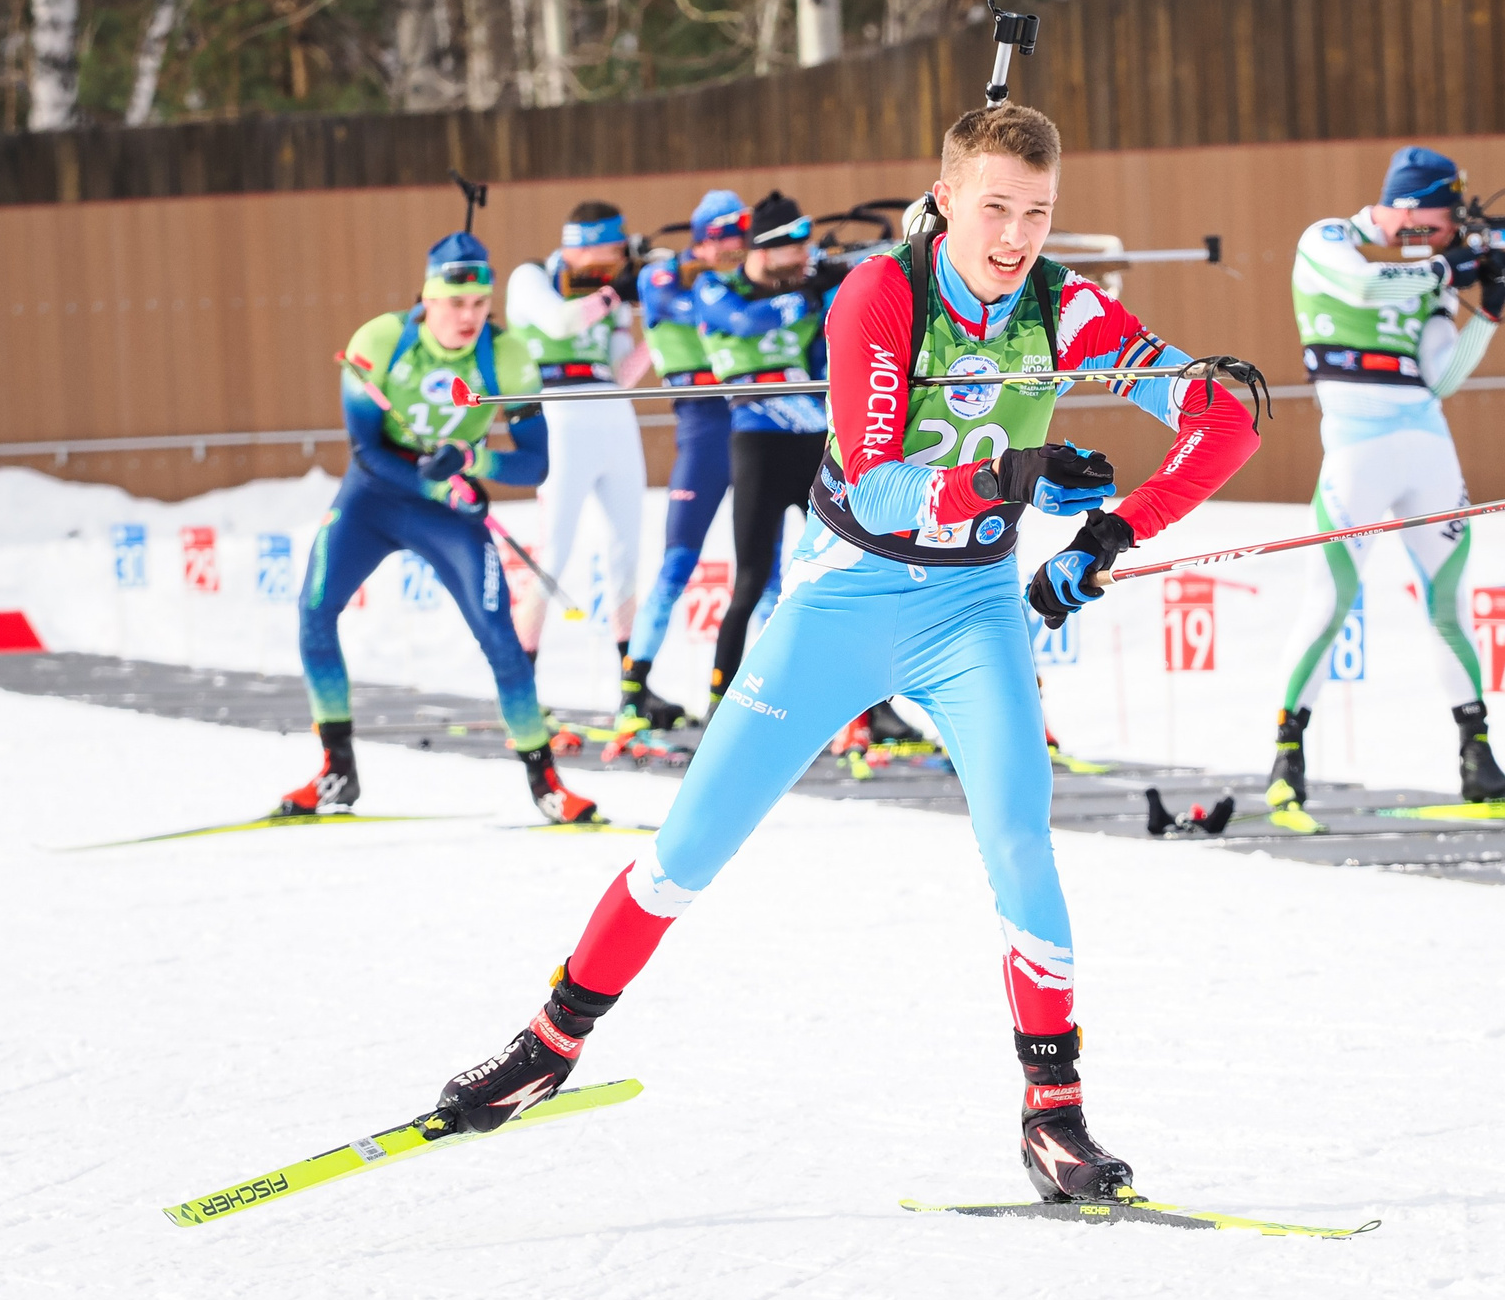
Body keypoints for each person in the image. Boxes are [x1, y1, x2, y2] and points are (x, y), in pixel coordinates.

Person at [429, 104, 1261, 1200]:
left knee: (1020, 837)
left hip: (972, 612)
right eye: (996, 208)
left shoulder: (1066, 306)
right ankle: (549, 1046)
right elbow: (874, 478)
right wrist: (1009, 478)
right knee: (688, 850)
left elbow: (1227, 421)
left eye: (1039, 213)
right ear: (948, 198)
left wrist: (1110, 534)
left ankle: (1052, 1116)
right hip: (841, 601)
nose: (1015, 236)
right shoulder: (883, 294)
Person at [279, 230, 598, 826]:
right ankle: (336, 770)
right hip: (373, 500)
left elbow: (536, 462)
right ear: (427, 300)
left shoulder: (509, 357)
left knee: (500, 638)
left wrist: (471, 462)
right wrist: (435, 481)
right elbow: (367, 450)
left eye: (481, 305)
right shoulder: (378, 342)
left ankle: (545, 783)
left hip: (449, 513)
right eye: (456, 304)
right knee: (315, 610)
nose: (470, 317)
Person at [1267, 144, 1505, 812]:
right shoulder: (1328, 239)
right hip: (1357, 450)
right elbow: (1361, 286)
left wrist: (1488, 312)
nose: (1452, 233)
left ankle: (1479, 756)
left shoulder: (1428, 270)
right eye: (1444, 220)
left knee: (1448, 606)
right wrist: (1448, 265)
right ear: (1409, 208)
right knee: (1329, 603)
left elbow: (1443, 374)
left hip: (1429, 449)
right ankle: (1287, 756)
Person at [695, 190, 841, 707]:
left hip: (815, 445)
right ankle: (719, 703)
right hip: (757, 443)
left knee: (848, 578)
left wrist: (834, 285)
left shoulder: (811, 281)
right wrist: (805, 296)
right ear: (766, 248)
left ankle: (865, 717)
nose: (805, 260)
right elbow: (745, 321)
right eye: (794, 250)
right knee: (752, 580)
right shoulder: (716, 286)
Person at [615, 190, 752, 731]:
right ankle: (633, 688)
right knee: (677, 564)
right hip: (701, 424)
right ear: (701, 239)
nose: (734, 251)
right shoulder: (661, 277)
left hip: (748, 418)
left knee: (763, 572)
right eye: (723, 241)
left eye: (740, 240)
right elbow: (686, 306)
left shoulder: (734, 278)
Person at [504, 201, 650, 674]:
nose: (619, 261)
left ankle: (632, 680)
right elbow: (560, 322)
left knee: (627, 549)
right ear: (585, 244)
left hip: (612, 411)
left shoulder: (611, 292)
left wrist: (660, 324)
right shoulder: (530, 276)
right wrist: (613, 295)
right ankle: (522, 672)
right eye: (613, 249)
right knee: (555, 551)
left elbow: (624, 372)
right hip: (558, 411)